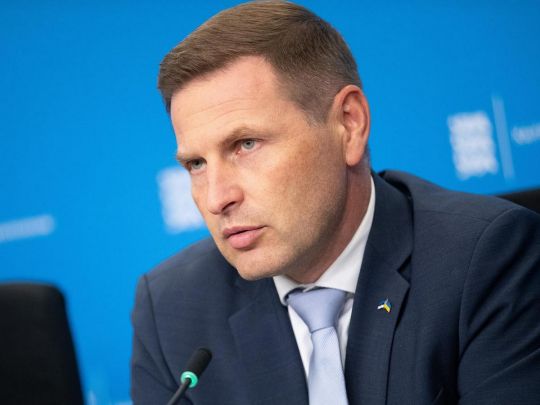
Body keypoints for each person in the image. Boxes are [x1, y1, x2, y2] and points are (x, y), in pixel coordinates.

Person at [131, 1, 540, 404]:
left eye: (246, 144)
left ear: (349, 124)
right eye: (196, 164)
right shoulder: (171, 310)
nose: (217, 198)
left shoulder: (485, 260)